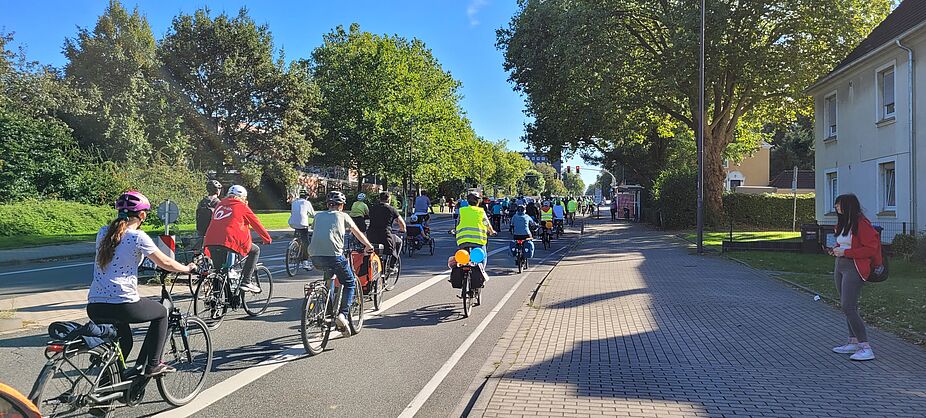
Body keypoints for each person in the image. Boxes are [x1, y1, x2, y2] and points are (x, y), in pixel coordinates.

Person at [88, 191, 196, 377]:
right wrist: (187, 269)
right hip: (123, 303)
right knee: (161, 313)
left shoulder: (103, 232)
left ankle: (107, 388)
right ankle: (153, 364)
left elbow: (119, 257)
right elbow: (165, 262)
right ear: (142, 215)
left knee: (124, 344)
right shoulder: (137, 236)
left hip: (95, 304)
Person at [309, 191, 375, 336]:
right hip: (334, 256)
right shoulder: (344, 216)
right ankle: (342, 315)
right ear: (342, 205)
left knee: (329, 277)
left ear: (328, 204)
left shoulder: (318, 216)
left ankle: (327, 307)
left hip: (315, 256)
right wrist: (368, 246)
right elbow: (357, 232)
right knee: (350, 282)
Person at [828, 194, 881, 361]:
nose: (836, 207)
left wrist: (846, 252)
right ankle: (853, 341)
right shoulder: (844, 223)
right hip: (840, 265)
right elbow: (843, 243)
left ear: (849, 206)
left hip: (854, 267)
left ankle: (866, 347)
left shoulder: (862, 224)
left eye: (839, 205)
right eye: (836, 205)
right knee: (847, 306)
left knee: (848, 306)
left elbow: (870, 249)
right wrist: (836, 249)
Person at [204, 185, 272, 293]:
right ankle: (246, 281)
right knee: (255, 250)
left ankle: (215, 297)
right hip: (229, 240)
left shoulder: (220, 204)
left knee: (218, 272)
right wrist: (267, 239)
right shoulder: (242, 206)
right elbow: (256, 223)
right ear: (243, 197)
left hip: (211, 239)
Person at [367, 191, 406, 274]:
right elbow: (401, 223)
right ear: (389, 199)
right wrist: (403, 229)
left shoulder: (372, 208)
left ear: (379, 199)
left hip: (371, 235)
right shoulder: (392, 209)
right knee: (399, 242)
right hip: (385, 235)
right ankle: (392, 265)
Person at [456, 193, 497, 270]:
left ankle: (462, 271)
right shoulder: (480, 211)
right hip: (478, 240)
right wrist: (492, 231)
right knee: (482, 256)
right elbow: (486, 223)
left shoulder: (462, 211)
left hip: (463, 240)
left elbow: (458, 224)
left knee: (462, 258)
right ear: (478, 202)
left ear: (468, 201)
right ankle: (482, 271)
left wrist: (455, 231)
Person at [288, 189, 316, 270]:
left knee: (297, 234)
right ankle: (305, 262)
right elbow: (312, 214)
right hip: (303, 224)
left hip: (292, 223)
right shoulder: (306, 203)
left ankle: (294, 247)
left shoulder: (294, 202)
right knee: (306, 243)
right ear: (306, 197)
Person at [195, 180, 223, 247]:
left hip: (201, 230)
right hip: (213, 231)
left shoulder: (202, 202)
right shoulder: (218, 203)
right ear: (217, 190)